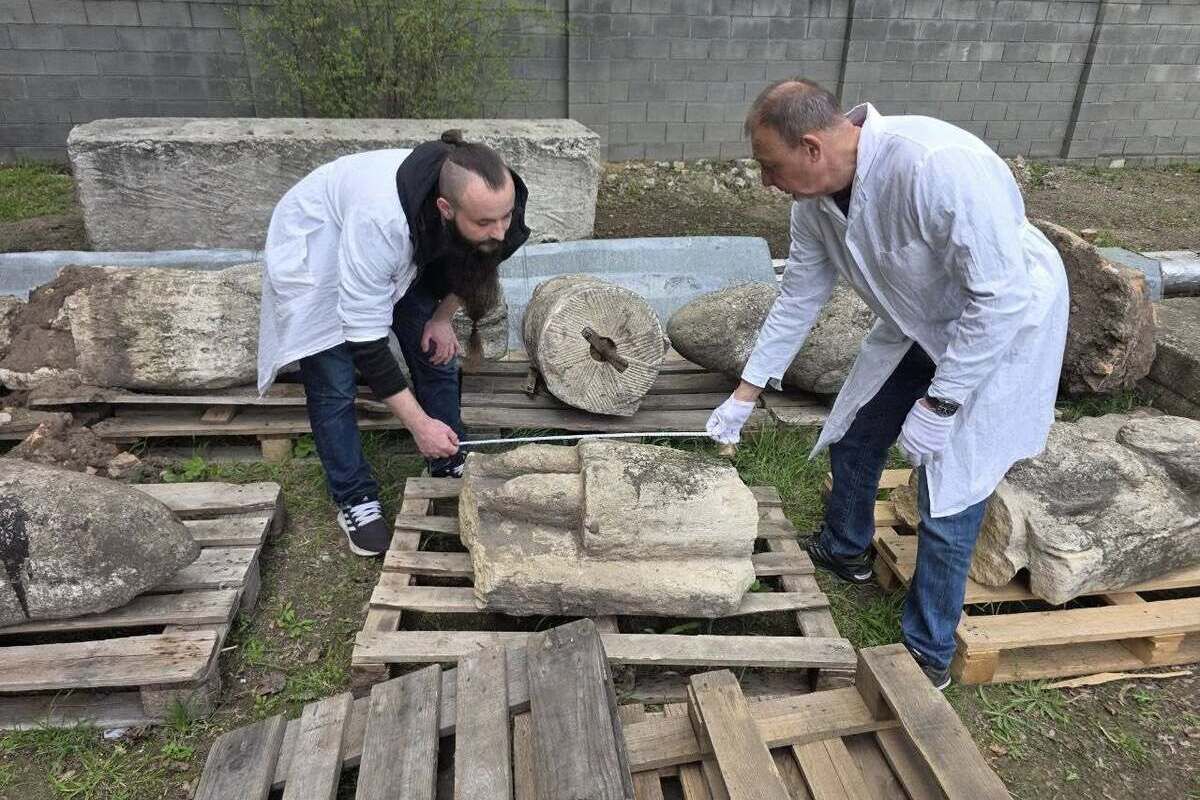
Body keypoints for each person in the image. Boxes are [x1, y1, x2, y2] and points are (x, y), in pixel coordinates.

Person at [706, 80, 1069, 689]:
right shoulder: (814, 205)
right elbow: (798, 297)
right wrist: (747, 391)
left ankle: (926, 654)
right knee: (857, 428)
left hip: (1003, 328)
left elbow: (999, 296)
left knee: (950, 491)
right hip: (920, 321)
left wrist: (943, 400)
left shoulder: (935, 165)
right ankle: (844, 548)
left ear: (813, 147)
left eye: (772, 166)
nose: (767, 182)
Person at [257, 131, 530, 556]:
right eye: (484, 223)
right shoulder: (379, 222)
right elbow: (366, 342)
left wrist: (441, 318)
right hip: (319, 244)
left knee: (437, 351)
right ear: (445, 208)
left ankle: (447, 457)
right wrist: (417, 425)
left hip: (403, 243)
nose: (498, 230)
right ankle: (355, 497)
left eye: (505, 217)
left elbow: (485, 259)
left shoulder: (496, 206)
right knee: (334, 379)